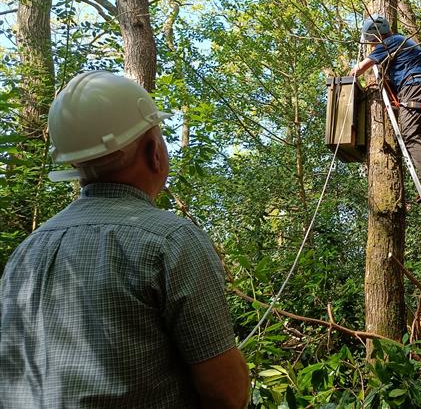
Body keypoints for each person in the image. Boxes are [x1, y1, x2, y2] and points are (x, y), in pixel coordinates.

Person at [0, 71, 250, 408]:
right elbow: (227, 395)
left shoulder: (27, 252)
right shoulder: (171, 242)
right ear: (154, 152)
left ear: (75, 164)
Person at [350, 14, 421, 198]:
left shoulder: (387, 43)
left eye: (372, 42)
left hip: (413, 87)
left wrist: (348, 76)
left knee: (410, 134)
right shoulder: (404, 41)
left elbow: (360, 69)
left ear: (377, 37)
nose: (372, 45)